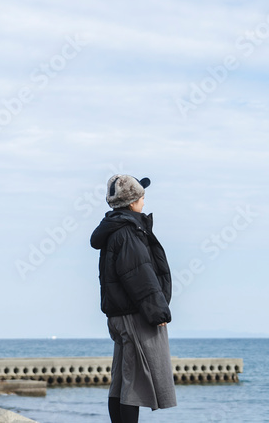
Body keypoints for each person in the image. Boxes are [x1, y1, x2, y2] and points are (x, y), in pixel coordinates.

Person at [90, 174, 177, 423]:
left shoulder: (115, 229)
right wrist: (158, 310)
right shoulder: (127, 232)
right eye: (141, 198)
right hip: (134, 316)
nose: (143, 203)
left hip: (119, 316)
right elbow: (139, 274)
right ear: (131, 203)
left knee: (120, 382)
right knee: (134, 386)